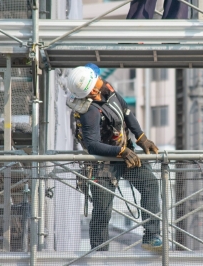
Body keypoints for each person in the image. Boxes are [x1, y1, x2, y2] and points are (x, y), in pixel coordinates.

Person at [66, 64, 162, 252]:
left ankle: (151, 237)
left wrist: (141, 138)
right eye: (92, 89)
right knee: (103, 210)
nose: (96, 89)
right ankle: (100, 253)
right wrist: (121, 152)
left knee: (150, 183)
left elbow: (126, 112)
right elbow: (93, 144)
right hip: (104, 163)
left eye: (95, 85)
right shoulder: (89, 112)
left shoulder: (107, 90)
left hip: (125, 153)